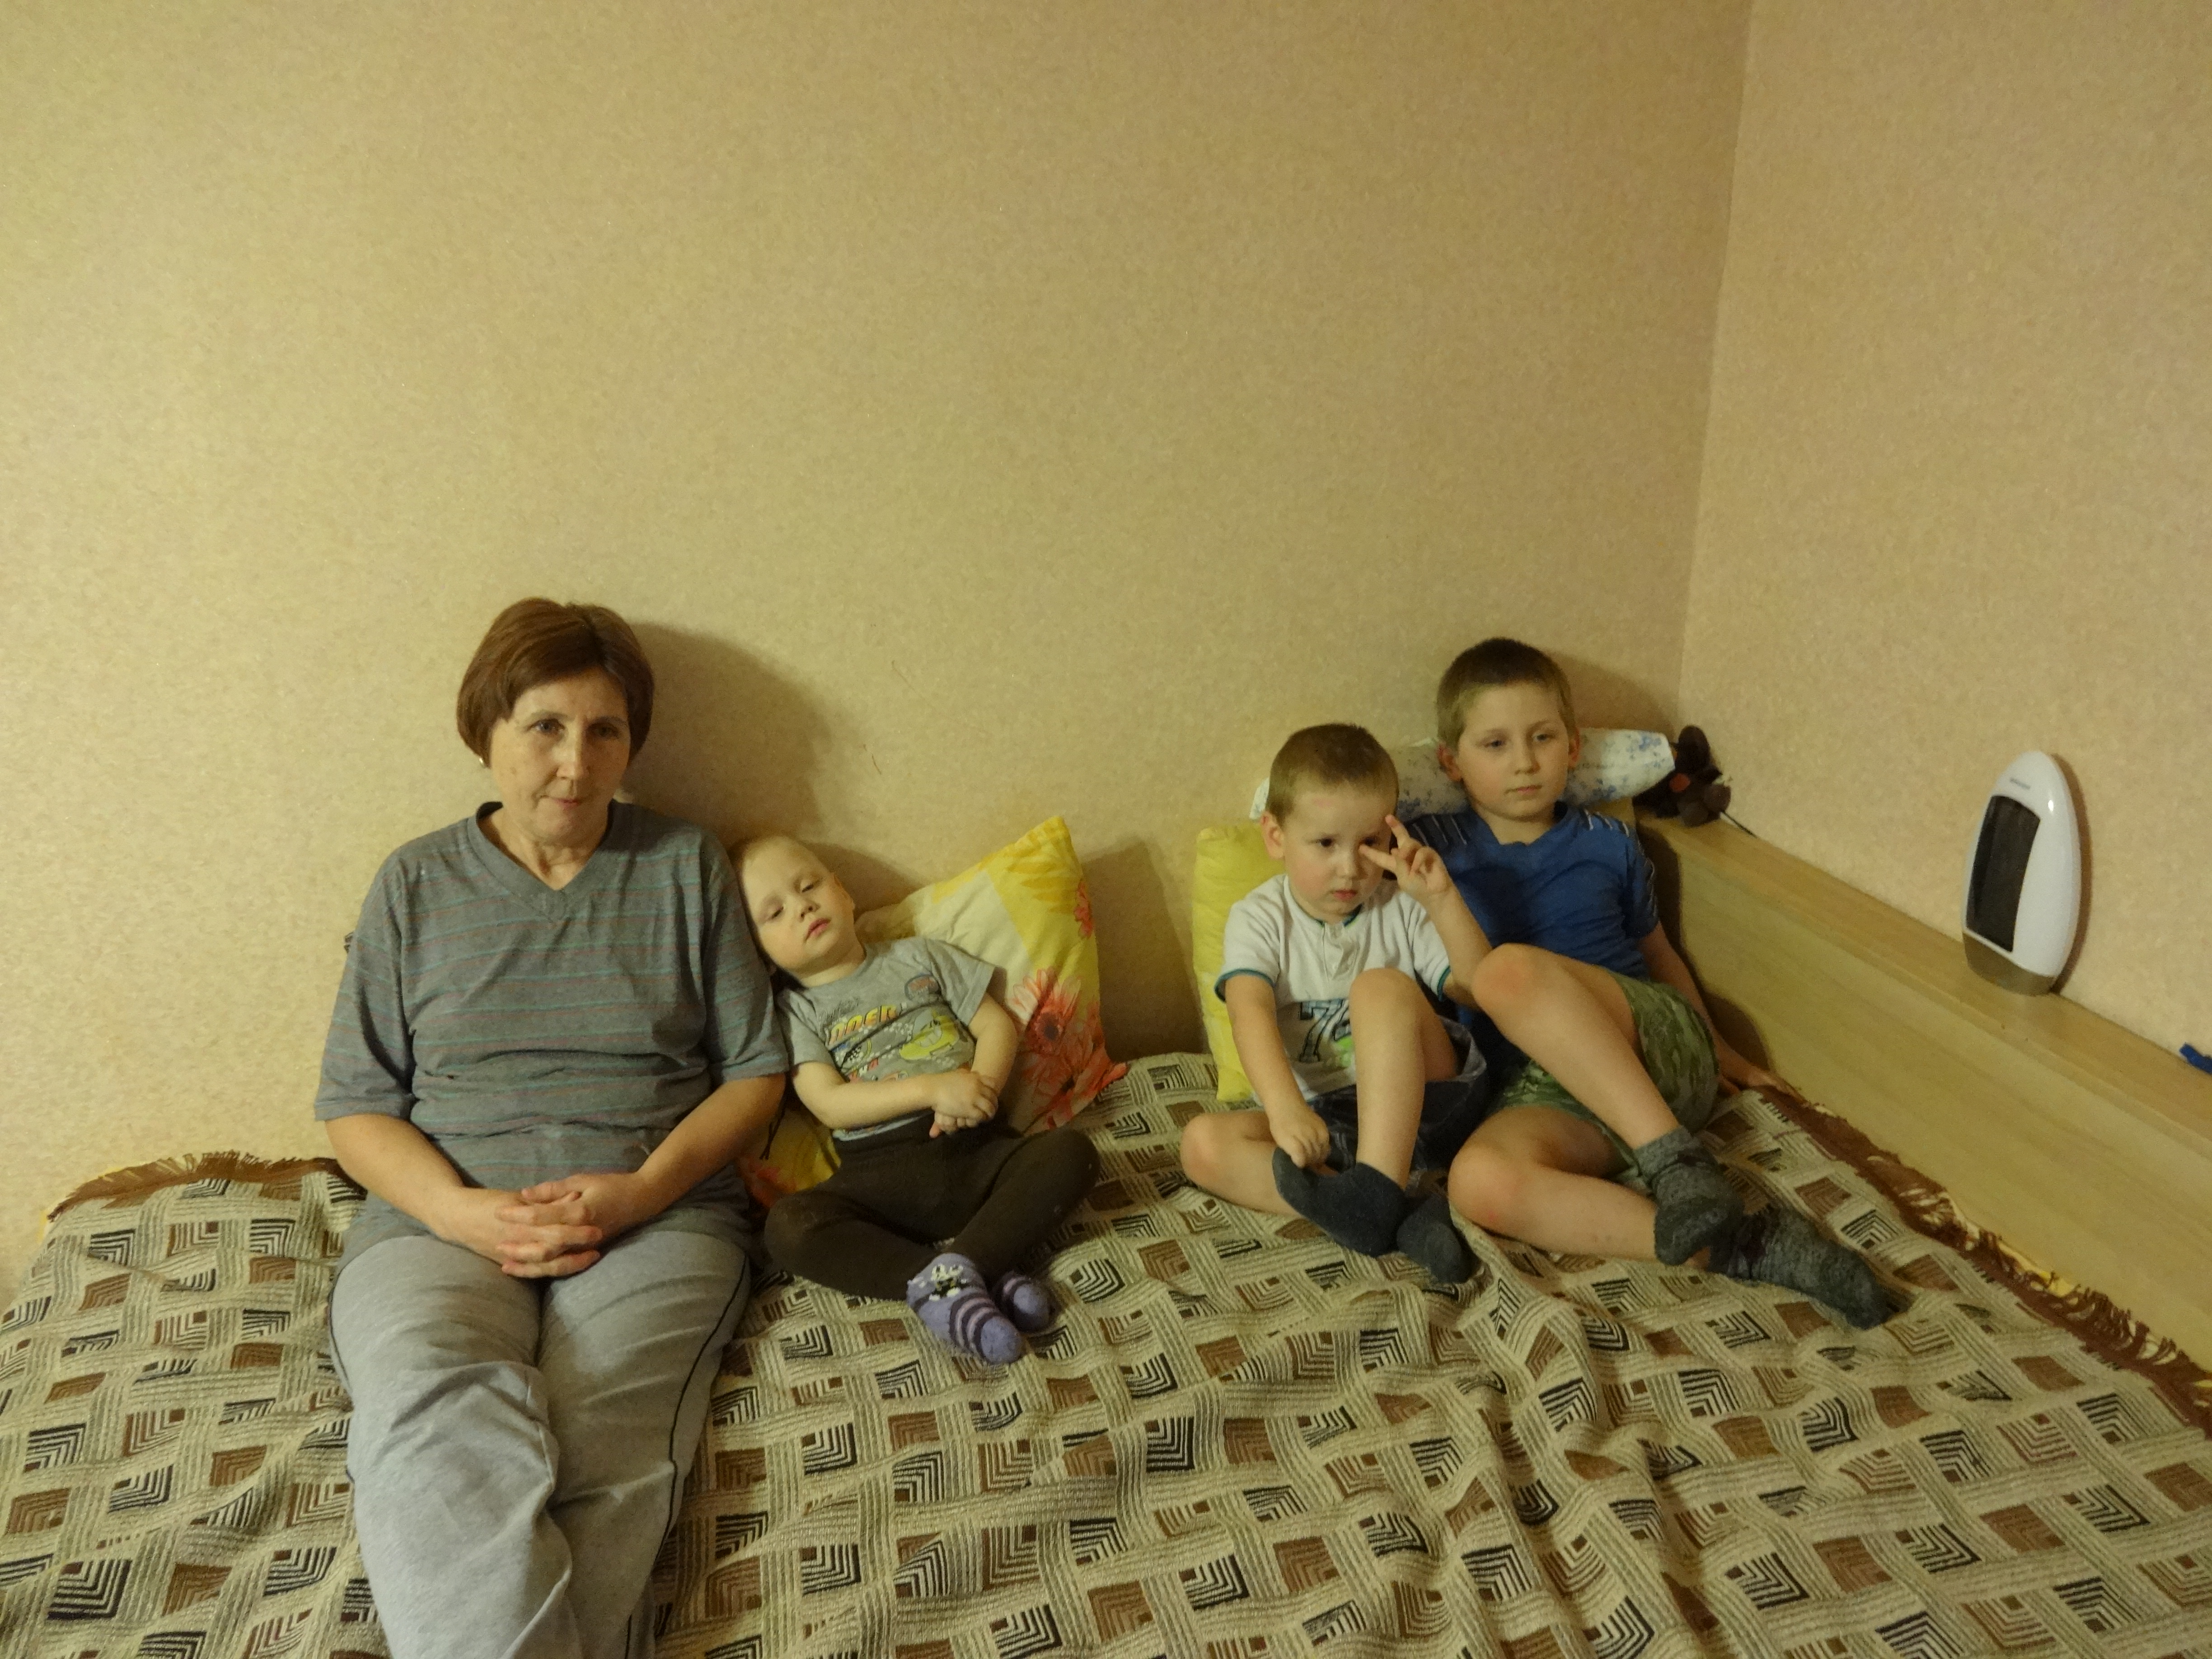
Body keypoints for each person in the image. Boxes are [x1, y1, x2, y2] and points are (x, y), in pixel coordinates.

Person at [316, 599, 788, 1659]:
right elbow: (354, 1102)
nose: (577, 763)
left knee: (601, 1438)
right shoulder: (414, 883)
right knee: (433, 1411)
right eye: (545, 727)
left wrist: (642, 1192)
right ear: (486, 732)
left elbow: (757, 1072)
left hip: (659, 1220)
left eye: (605, 730)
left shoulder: (684, 866)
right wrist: (460, 1213)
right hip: (438, 1224)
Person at [1404, 637, 1888, 1326]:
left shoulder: (1607, 842)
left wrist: (1722, 1050)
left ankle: (1677, 1163)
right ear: (1451, 763)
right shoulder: (1434, 851)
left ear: (1574, 746)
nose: (1524, 762)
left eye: (1543, 737)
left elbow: (1659, 954)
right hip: (1552, 1088)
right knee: (1478, 1183)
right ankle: (1741, 1247)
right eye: (1495, 744)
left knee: (1505, 971)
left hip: (1653, 1044)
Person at [739, 834, 1098, 1365]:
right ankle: (974, 1277)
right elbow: (829, 1103)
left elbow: (995, 1025)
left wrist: (980, 1088)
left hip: (977, 1149)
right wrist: (932, 1088)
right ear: (762, 956)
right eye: (775, 913)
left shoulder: (920, 955)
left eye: (809, 886)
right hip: (880, 1179)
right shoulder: (795, 1014)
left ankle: (962, 1274)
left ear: (843, 892)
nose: (802, 907)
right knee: (787, 1227)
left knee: (1072, 1153)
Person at [1177, 725, 1495, 1284]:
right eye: (1326, 844)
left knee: (1378, 988)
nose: (1351, 867)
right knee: (1201, 1145)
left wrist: (1443, 900)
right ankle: (1393, 1213)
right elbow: (1249, 1012)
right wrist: (1285, 1110)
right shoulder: (1259, 917)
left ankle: (1373, 1195)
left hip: (1425, 1104)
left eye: (1370, 842)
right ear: (1276, 836)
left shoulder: (1400, 905)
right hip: (1329, 1125)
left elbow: (1476, 989)